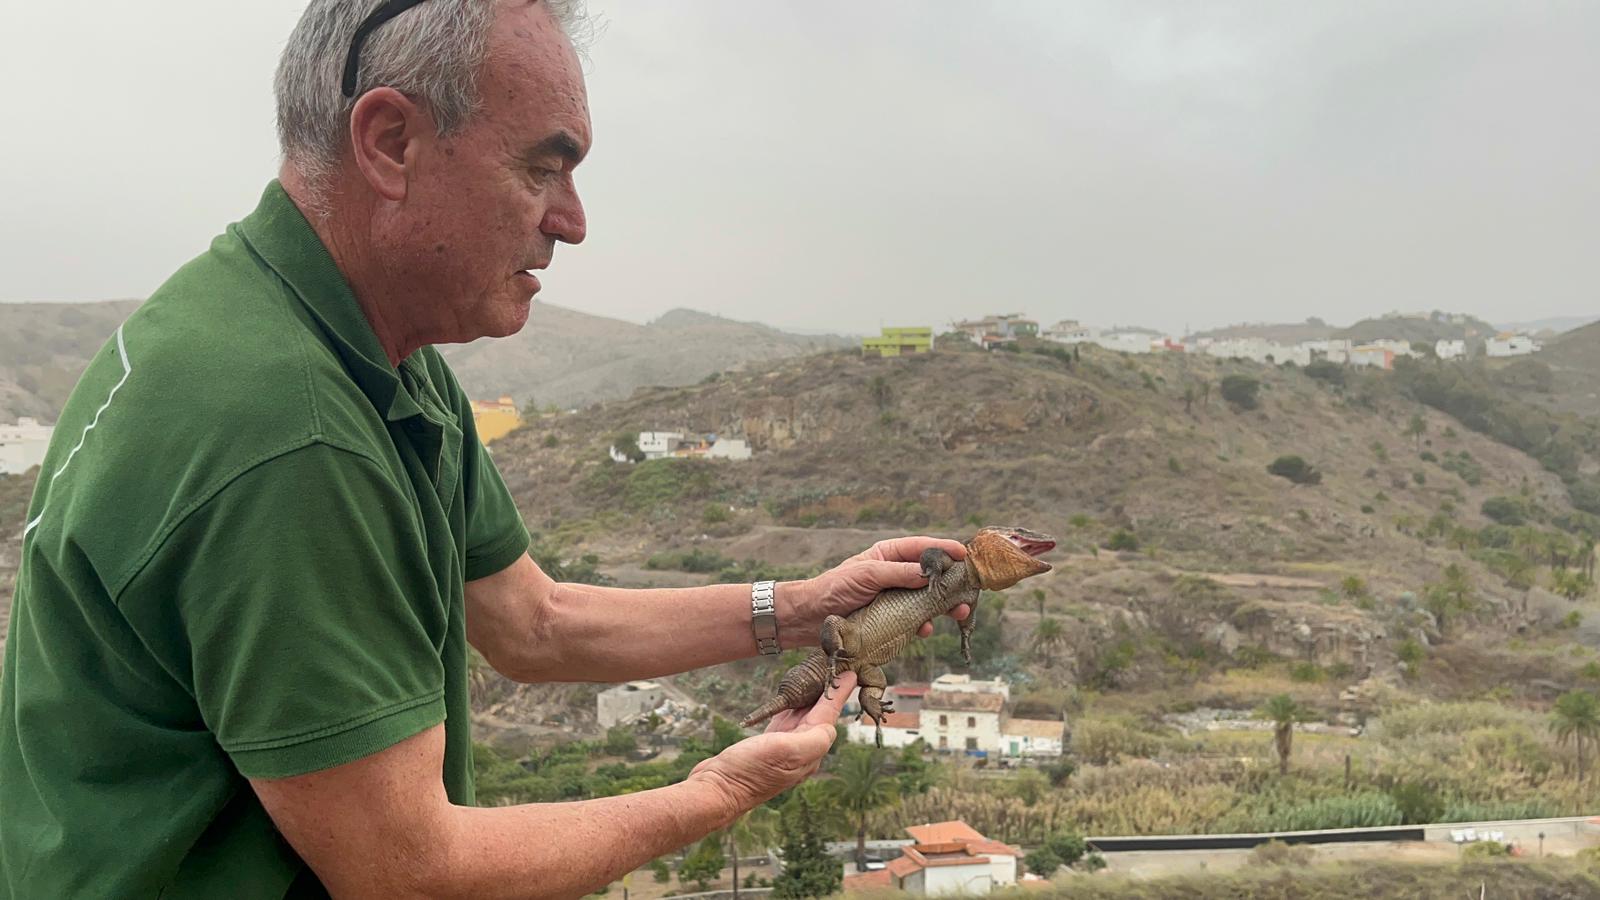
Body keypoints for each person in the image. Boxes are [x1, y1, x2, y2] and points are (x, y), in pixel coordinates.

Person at [0, 1, 969, 897]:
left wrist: (803, 610)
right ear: (390, 143)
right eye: (541, 169)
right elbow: (407, 872)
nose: (572, 221)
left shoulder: (359, 344)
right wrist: (716, 794)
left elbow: (532, 622)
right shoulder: (287, 429)